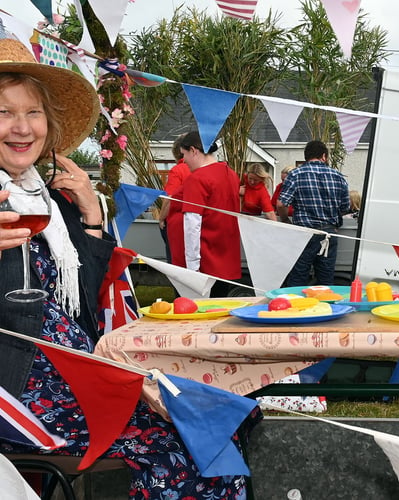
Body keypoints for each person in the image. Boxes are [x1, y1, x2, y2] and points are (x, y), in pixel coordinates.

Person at [0, 38, 250, 499]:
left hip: (80, 367)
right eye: (3, 112)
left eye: (32, 112)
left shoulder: (49, 200)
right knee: (179, 446)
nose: (21, 127)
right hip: (19, 389)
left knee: (217, 423)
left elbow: (84, 296)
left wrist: (92, 217)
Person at [277, 140, 350, 286]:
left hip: (304, 233)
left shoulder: (295, 175)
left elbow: (281, 204)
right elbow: (345, 207)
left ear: (306, 156)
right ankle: (324, 307)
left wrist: (285, 219)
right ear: (324, 156)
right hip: (329, 234)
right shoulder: (338, 176)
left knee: (298, 276)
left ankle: (296, 307)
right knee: (325, 279)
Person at [179, 131, 242, 297]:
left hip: (206, 258)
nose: (183, 160)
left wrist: (192, 266)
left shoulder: (197, 179)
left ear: (194, 150)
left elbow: (192, 223)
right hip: (228, 256)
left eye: (184, 154)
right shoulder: (231, 174)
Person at [158, 133, 190, 264]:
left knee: (174, 259)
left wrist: (161, 218)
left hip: (177, 221)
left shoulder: (178, 170)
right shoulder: (201, 169)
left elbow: (170, 198)